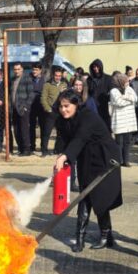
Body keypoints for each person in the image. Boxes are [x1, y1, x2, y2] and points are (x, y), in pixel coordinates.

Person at [53, 93, 123, 252]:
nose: (63, 110)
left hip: (105, 159)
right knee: (85, 196)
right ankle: (80, 238)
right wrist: (62, 154)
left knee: (100, 197)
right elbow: (64, 139)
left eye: (67, 106)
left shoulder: (88, 117)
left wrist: (66, 155)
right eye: (61, 106)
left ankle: (106, 236)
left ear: (76, 105)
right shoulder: (62, 120)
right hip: (85, 157)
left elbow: (80, 138)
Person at [109, 71, 138, 167]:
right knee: (119, 142)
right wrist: (129, 101)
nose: (127, 83)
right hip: (119, 120)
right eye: (126, 81)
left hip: (129, 120)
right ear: (120, 81)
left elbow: (135, 98)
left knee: (127, 141)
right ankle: (119, 160)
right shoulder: (114, 91)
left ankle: (126, 161)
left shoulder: (129, 89)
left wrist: (125, 97)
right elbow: (119, 102)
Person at [39, 67, 66, 155]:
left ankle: (57, 149)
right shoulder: (47, 85)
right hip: (51, 112)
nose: (57, 77)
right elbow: (43, 98)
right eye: (56, 75)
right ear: (53, 75)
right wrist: (48, 109)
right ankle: (44, 150)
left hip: (61, 112)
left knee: (60, 132)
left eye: (59, 76)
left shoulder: (64, 84)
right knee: (47, 132)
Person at [10, 63, 34, 157]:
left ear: (22, 69)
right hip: (14, 108)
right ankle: (20, 148)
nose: (16, 71)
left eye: (18, 69)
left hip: (23, 108)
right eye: (15, 69)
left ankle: (27, 150)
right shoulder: (12, 79)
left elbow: (31, 94)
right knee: (16, 130)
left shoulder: (27, 78)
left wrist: (26, 106)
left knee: (24, 129)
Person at [87, 59, 114, 130]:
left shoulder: (108, 78)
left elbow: (112, 92)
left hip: (104, 105)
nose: (96, 69)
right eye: (94, 67)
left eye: (97, 67)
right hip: (93, 107)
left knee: (106, 127)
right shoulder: (89, 79)